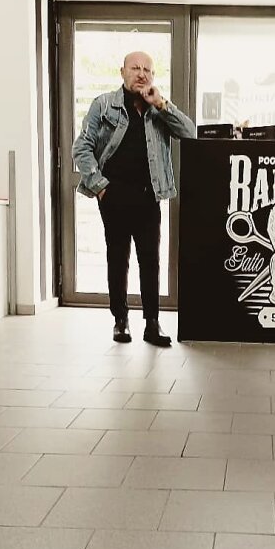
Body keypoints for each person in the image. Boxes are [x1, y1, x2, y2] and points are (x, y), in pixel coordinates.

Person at [72, 51, 195, 346]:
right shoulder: (104, 104)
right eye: (135, 68)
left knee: (150, 261)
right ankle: (120, 321)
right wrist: (100, 187)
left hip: (148, 196)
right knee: (118, 259)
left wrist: (161, 103)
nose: (141, 74)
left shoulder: (157, 108)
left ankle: (152, 324)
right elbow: (82, 148)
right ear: (122, 72)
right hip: (113, 195)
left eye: (147, 70)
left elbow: (189, 132)